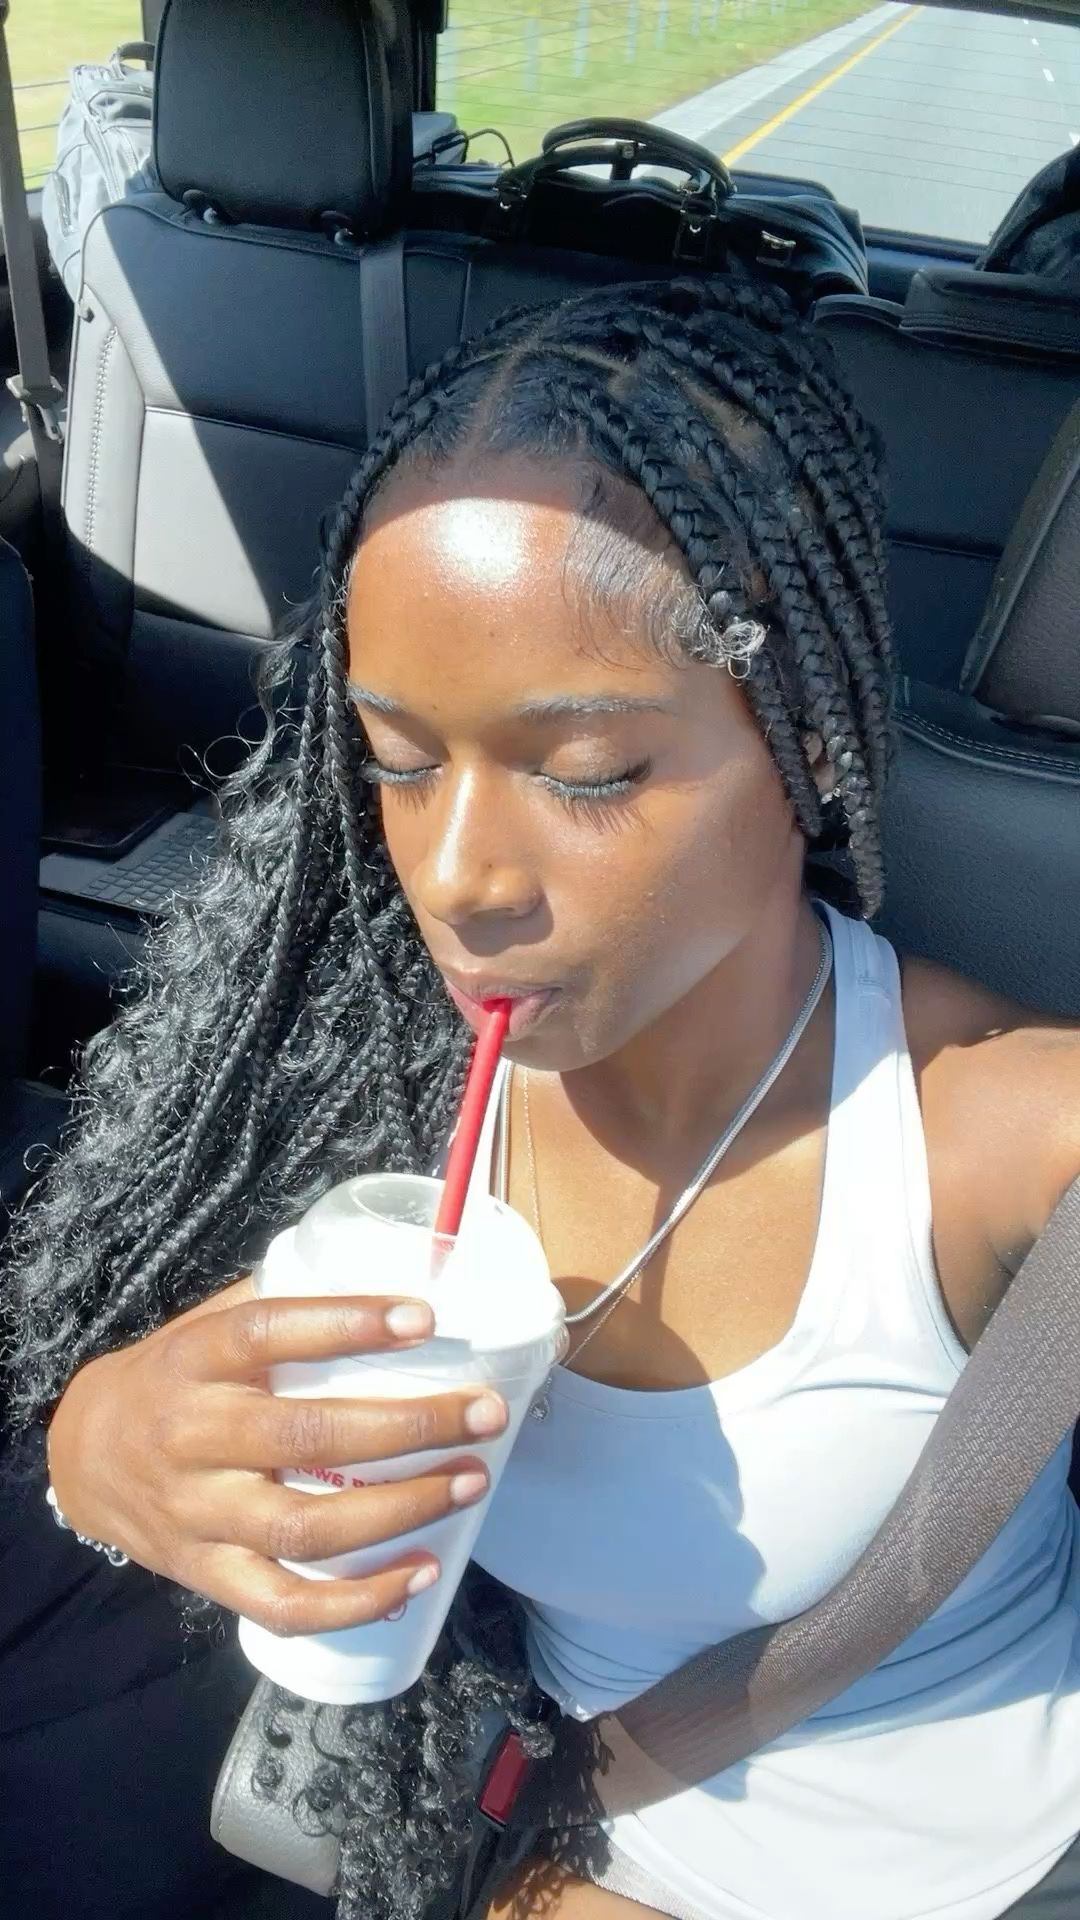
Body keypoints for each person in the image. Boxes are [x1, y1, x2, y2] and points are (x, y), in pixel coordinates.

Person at [3, 276, 1080, 1920]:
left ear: (804, 737)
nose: (456, 877)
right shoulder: (373, 1076)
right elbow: (172, 1375)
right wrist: (96, 1444)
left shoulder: (991, 1131)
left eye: (585, 776)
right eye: (397, 760)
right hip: (538, 1828)